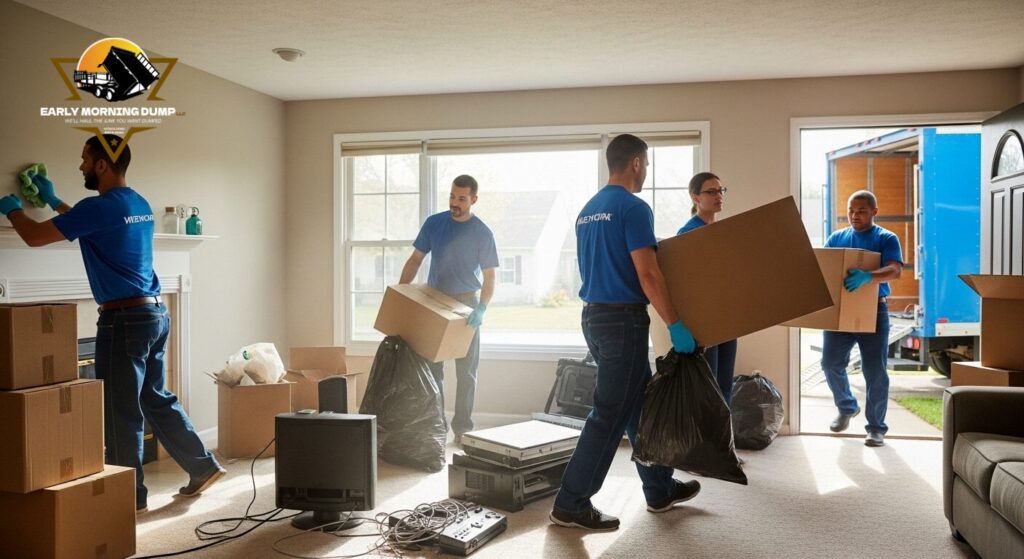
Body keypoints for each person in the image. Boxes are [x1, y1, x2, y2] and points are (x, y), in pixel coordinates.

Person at [0, 134, 225, 513]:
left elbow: (36, 237)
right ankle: (202, 465)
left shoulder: (98, 208)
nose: (81, 166)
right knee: (154, 397)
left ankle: (128, 498)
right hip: (154, 314)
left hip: (124, 319)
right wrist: (54, 201)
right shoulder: (138, 203)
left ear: (102, 164)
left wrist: (12, 210)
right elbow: (88, 223)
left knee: (121, 411)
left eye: (85, 160)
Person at [549, 134, 701, 532]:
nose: (646, 171)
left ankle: (659, 488)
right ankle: (570, 503)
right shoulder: (633, 208)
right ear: (635, 162)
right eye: (646, 164)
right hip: (622, 322)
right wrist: (675, 324)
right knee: (609, 414)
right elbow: (647, 273)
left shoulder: (588, 210)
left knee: (639, 407)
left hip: (595, 318)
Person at [399, 174, 498, 444]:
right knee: (433, 371)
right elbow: (415, 260)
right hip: (436, 302)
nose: (455, 202)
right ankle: (437, 425)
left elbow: (490, 276)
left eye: (461, 198)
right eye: (452, 196)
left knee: (466, 372)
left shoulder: (482, 233)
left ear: (474, 200)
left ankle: (463, 428)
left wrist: (482, 308)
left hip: (467, 306)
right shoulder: (434, 224)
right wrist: (402, 292)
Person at [821, 190, 903, 447]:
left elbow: (895, 270)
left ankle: (876, 428)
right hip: (841, 310)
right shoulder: (837, 238)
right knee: (830, 363)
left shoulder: (886, 238)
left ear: (874, 212)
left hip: (874, 312)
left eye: (861, 211)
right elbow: (823, 267)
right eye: (851, 211)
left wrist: (869, 277)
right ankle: (847, 406)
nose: (855, 215)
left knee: (875, 371)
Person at [678, 172, 738, 405]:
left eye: (721, 191)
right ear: (695, 198)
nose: (718, 196)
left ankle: (723, 429)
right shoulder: (688, 233)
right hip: (704, 320)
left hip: (727, 316)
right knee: (708, 387)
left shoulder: (724, 232)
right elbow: (685, 283)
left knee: (725, 386)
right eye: (711, 192)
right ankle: (708, 430)